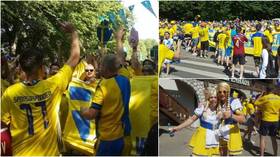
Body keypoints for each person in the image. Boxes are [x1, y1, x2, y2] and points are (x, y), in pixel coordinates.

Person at [1, 22, 80, 155]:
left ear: (21, 69)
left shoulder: (10, 92)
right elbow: (74, 58)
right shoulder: (53, 85)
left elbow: (2, 124)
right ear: (42, 68)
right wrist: (73, 33)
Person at [80, 54, 131, 156]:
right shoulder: (125, 79)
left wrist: (83, 110)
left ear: (106, 68)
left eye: (101, 65)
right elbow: (119, 60)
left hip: (107, 139)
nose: (98, 68)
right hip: (124, 136)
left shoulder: (103, 87)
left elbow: (91, 114)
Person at [170, 88, 222, 156]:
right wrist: (178, 128)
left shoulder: (221, 109)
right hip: (202, 136)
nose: (213, 99)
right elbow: (191, 119)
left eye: (215, 97)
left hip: (215, 137)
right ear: (208, 98)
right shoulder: (202, 108)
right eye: (211, 97)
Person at [215, 82, 245, 156]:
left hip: (232, 130)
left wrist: (231, 115)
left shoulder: (234, 101)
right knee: (222, 153)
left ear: (228, 92)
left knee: (232, 154)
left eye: (224, 91)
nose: (222, 94)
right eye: (220, 92)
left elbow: (243, 119)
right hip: (220, 130)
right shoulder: (217, 103)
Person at [255, 85, 280, 156]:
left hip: (266, 120)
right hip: (275, 120)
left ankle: (262, 155)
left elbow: (256, 103)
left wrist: (261, 94)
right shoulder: (279, 98)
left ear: (267, 90)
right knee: (274, 139)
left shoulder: (265, 97)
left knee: (262, 138)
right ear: (274, 90)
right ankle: (275, 154)